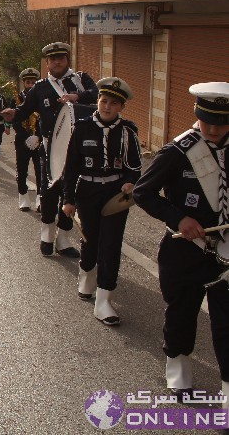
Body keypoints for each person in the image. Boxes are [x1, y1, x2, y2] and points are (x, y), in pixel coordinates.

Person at [134, 82, 229, 401]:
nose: (214, 128)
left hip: (226, 252)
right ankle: (178, 369)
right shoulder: (178, 151)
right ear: (196, 114)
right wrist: (178, 219)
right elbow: (142, 193)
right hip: (184, 251)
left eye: (222, 121)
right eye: (207, 119)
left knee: (227, 324)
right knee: (182, 312)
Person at [2, 42, 98, 258]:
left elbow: (97, 94)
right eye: (52, 59)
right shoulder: (40, 87)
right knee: (48, 193)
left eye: (61, 58)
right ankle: (46, 236)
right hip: (50, 149)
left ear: (67, 60)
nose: (57, 62)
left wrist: (78, 97)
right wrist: (13, 114)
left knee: (71, 194)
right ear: (47, 63)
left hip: (79, 151)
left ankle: (63, 241)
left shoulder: (81, 80)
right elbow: (25, 110)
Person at [61, 78, 142, 326]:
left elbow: (135, 166)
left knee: (111, 244)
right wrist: (68, 199)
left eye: (114, 103)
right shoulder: (82, 128)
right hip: (87, 190)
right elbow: (71, 166)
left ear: (121, 107)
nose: (107, 106)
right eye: (104, 100)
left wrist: (129, 182)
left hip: (115, 195)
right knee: (90, 239)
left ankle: (104, 299)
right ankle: (86, 276)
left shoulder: (128, 131)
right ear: (97, 101)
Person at [13, 68, 43, 211]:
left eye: (33, 82)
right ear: (24, 83)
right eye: (28, 82)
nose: (31, 85)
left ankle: (40, 198)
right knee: (22, 169)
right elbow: (14, 120)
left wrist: (38, 136)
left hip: (39, 139)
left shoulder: (42, 98)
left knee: (40, 170)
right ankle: (23, 197)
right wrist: (26, 136)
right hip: (22, 139)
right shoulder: (16, 99)